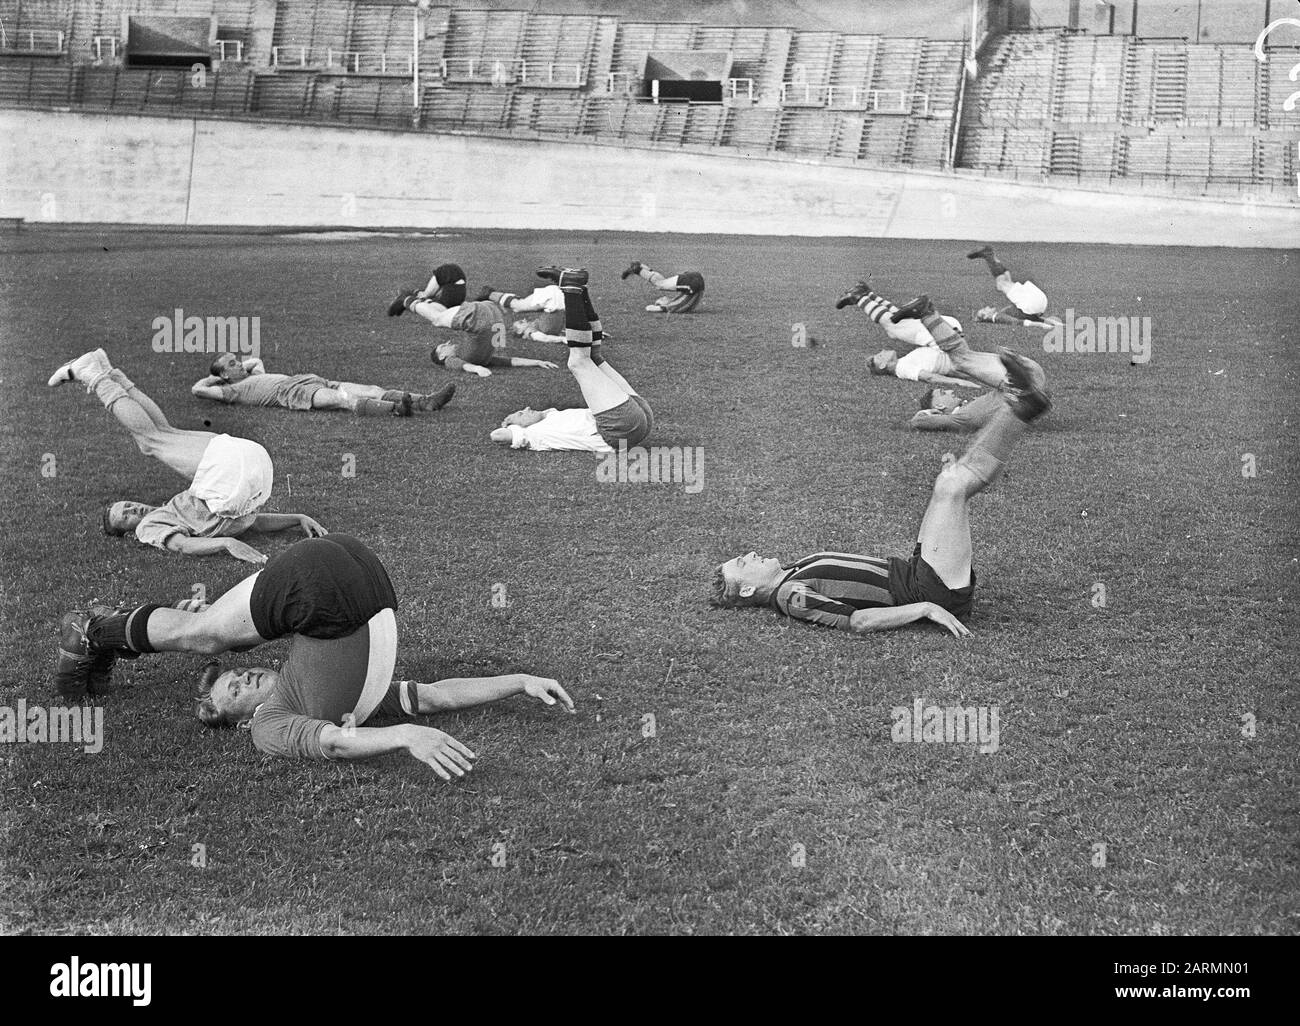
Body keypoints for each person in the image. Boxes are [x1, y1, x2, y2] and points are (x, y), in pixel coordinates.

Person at [52, 534, 574, 779]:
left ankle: (97, 628)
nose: (246, 678)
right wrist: (516, 681)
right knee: (207, 635)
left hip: (328, 594)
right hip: (366, 584)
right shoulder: (271, 726)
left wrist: (514, 678)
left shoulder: (296, 693)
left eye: (236, 678)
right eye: (235, 690)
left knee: (210, 636)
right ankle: (97, 628)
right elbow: (412, 708)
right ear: (237, 721)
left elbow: (344, 733)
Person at [709, 350, 1051, 634]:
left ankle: (1020, 407)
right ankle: (1020, 406)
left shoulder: (792, 571)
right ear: (750, 588)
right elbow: (858, 621)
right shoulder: (791, 597)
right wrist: (926, 608)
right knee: (952, 488)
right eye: (743, 563)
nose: (750, 554)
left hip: (916, 570)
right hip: (928, 589)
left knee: (950, 484)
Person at [48, 349, 322, 564]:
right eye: (125, 516)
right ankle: (99, 372)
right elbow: (243, 524)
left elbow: (237, 521)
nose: (133, 509)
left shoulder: (184, 506)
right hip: (249, 475)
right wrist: (294, 518)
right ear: (129, 531)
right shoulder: (150, 528)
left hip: (239, 470)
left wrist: (230, 537)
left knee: (160, 435)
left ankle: (103, 374)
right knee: (152, 440)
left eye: (126, 504)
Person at [488, 270, 653, 453]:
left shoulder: (549, 417)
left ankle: (581, 289)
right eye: (520, 414)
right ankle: (571, 289)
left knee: (593, 357)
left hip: (634, 418)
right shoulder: (534, 435)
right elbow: (497, 436)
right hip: (620, 428)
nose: (526, 408)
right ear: (518, 427)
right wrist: (511, 429)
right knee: (577, 363)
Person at [865, 295, 1049, 395]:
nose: (882, 351)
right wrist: (961, 382)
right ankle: (925, 313)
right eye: (879, 355)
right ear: (882, 365)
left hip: (948, 354)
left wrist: (962, 380)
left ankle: (926, 313)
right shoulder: (902, 367)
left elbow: (936, 373)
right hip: (949, 356)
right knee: (973, 361)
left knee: (968, 360)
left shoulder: (905, 361)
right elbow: (931, 377)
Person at [191, 354, 455, 416]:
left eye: (236, 360)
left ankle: (426, 401)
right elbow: (197, 389)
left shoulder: (251, 373)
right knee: (342, 399)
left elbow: (256, 360)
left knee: (372, 388)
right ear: (224, 376)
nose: (239, 363)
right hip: (292, 392)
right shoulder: (229, 391)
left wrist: (239, 369)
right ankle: (397, 409)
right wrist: (215, 378)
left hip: (307, 379)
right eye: (231, 364)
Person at [835, 281, 963, 349]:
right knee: (893, 325)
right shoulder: (949, 344)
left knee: (898, 319)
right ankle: (858, 297)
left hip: (947, 324)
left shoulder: (955, 330)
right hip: (934, 333)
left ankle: (867, 294)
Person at [967, 245, 1062, 327]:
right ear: (986, 316)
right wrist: (1044, 325)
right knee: (1001, 284)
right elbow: (1021, 322)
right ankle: (989, 255)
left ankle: (991, 256)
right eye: (983, 311)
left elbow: (1033, 318)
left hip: (1038, 306)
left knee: (1007, 282)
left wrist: (1052, 323)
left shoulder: (1003, 313)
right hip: (1034, 302)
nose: (985, 307)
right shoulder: (998, 317)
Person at [620, 260, 705, 313]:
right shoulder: (682, 303)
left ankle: (641, 268)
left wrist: (660, 306)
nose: (662, 299)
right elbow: (674, 307)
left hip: (693, 282)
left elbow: (675, 305)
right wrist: (659, 306)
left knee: (662, 283)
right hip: (693, 284)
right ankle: (638, 268)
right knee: (660, 284)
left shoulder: (681, 302)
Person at [386, 262, 467, 316]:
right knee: (439, 311)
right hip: (452, 275)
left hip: (453, 276)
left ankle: (407, 298)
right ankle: (406, 299)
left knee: (439, 309)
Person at [909, 388, 1004, 433]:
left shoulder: (963, 410)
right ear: (939, 406)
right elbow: (915, 422)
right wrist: (925, 413)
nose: (950, 391)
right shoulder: (958, 417)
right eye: (943, 393)